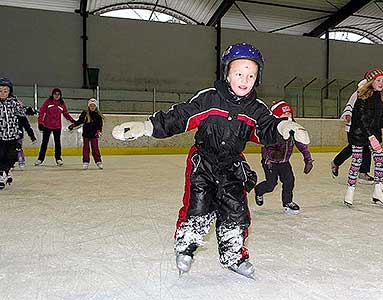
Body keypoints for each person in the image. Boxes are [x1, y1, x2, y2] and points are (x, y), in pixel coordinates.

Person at [111, 43, 310, 278]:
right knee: (197, 207)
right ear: (227, 73)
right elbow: (181, 116)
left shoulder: (256, 108)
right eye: (239, 73)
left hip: (232, 165)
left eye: (251, 75)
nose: (244, 80)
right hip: (202, 162)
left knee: (236, 212)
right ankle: (185, 248)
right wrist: (147, 126)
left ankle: (234, 256)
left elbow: (264, 128)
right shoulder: (209, 99)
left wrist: (284, 126)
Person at [254, 100, 313, 215]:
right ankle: (259, 190)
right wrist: (271, 156)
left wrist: (308, 159)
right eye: (284, 114)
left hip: (284, 162)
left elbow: (302, 145)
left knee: (289, 181)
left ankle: (288, 202)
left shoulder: (293, 129)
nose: (287, 116)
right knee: (271, 184)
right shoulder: (271, 128)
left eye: (289, 114)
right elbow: (266, 146)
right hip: (270, 161)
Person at [344, 68, 383, 207]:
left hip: (374, 133)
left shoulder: (382, 97)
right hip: (359, 133)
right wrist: (370, 137)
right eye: (378, 80)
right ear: (371, 82)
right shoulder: (362, 97)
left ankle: (377, 191)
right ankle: (350, 191)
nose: (381, 83)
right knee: (357, 162)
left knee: (380, 158)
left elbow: (380, 116)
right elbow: (361, 120)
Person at [331, 78, 383, 184]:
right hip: (356, 128)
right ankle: (336, 162)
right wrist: (348, 114)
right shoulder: (359, 93)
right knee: (353, 148)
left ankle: (363, 172)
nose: (381, 84)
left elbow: (381, 112)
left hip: (370, 129)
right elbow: (350, 105)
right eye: (378, 81)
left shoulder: (378, 95)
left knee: (368, 148)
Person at [36, 88, 75, 166]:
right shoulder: (48, 102)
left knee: (57, 143)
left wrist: (73, 121)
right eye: (55, 94)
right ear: (52, 95)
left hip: (57, 126)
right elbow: (41, 112)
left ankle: (58, 158)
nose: (56, 96)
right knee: (44, 143)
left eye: (58, 94)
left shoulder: (62, 104)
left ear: (60, 96)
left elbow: (66, 114)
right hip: (47, 125)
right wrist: (40, 123)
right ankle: (40, 159)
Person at [0, 78, 27, 189]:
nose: (2, 93)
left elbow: (22, 113)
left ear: (10, 92)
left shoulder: (13, 102)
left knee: (11, 156)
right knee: (1, 156)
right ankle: (1, 175)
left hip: (12, 135)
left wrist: (25, 108)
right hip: (0, 136)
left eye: (5, 91)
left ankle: (7, 170)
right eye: (0, 91)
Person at [69, 98, 104, 170]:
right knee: (86, 148)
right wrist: (73, 125)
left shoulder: (98, 115)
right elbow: (80, 121)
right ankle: (85, 162)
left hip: (94, 135)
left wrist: (99, 131)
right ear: (88, 106)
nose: (92, 107)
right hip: (86, 134)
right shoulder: (85, 113)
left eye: (93, 105)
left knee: (95, 148)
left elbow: (100, 125)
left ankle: (98, 161)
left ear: (96, 106)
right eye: (91, 105)